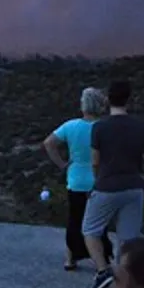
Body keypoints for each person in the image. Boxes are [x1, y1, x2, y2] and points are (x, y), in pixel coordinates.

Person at [83, 80, 144, 288]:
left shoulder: (100, 127)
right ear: (129, 99)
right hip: (134, 187)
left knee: (90, 230)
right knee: (129, 239)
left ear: (107, 100)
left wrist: (96, 181)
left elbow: (95, 161)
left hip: (107, 186)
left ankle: (103, 271)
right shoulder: (140, 125)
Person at [43, 87, 114, 270]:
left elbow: (49, 143)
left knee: (75, 220)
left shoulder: (71, 126)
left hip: (76, 180)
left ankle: (70, 259)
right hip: (99, 180)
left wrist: (62, 164)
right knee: (99, 223)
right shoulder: (105, 128)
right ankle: (101, 259)